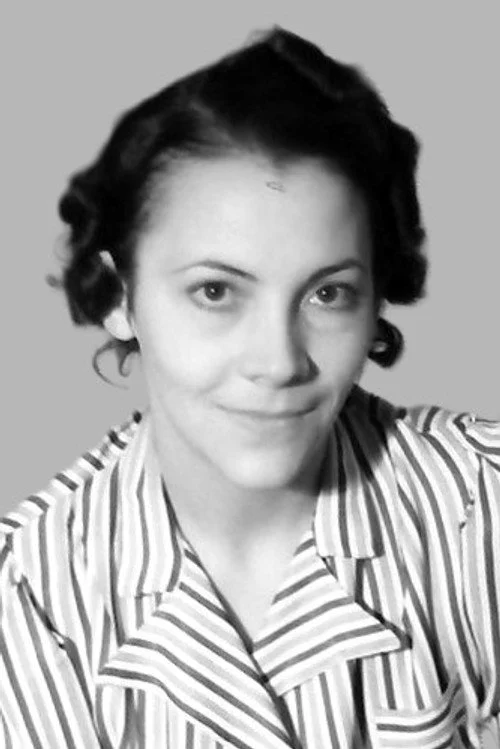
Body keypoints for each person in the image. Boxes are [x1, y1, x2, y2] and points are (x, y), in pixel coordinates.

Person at [1, 26, 499, 749]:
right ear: (118, 296)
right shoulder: (27, 597)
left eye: (328, 294)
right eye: (215, 291)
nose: (279, 361)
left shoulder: (480, 506)